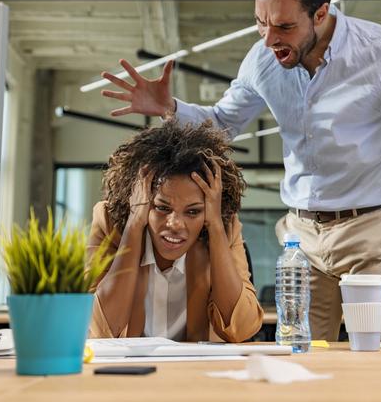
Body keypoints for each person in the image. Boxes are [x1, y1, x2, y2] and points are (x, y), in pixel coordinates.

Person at [98, 0, 381, 342]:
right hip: (302, 237)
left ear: (321, 13)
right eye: (260, 23)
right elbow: (223, 124)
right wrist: (170, 108)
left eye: (282, 26)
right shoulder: (263, 58)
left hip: (371, 231)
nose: (268, 39)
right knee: (303, 366)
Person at [87, 120, 263, 342]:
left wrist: (216, 227)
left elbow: (242, 329)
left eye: (193, 212)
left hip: (192, 372)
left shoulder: (224, 227)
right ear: (138, 198)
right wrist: (134, 225)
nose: (175, 224)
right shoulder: (110, 222)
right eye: (162, 208)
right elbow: (101, 330)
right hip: (128, 372)